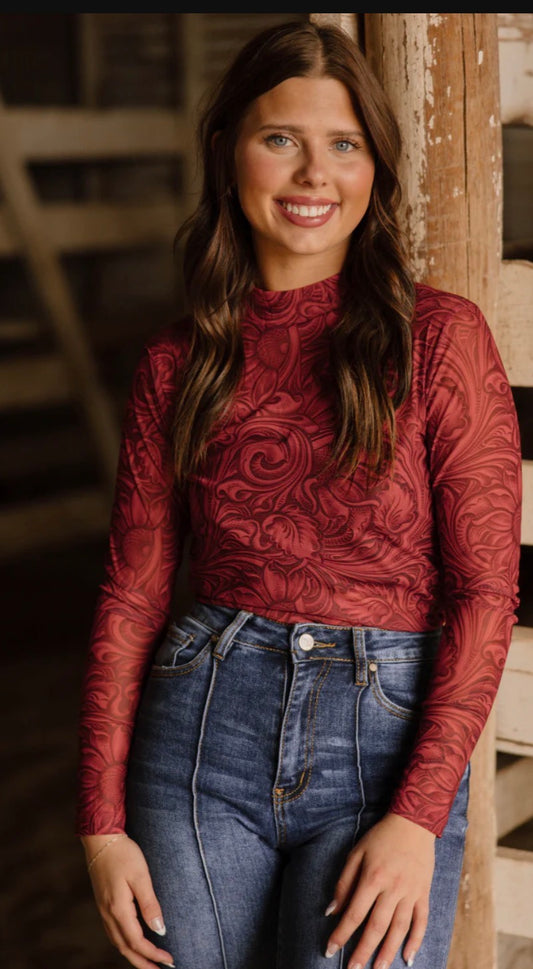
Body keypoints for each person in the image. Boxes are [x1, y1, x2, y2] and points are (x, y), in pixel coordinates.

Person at [76, 19, 522, 969]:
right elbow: (132, 595)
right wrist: (100, 824)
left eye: (343, 145)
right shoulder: (178, 361)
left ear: (374, 168)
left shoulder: (438, 338)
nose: (313, 175)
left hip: (384, 750)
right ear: (227, 151)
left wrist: (417, 814)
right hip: (199, 739)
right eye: (281, 138)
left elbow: (485, 593)